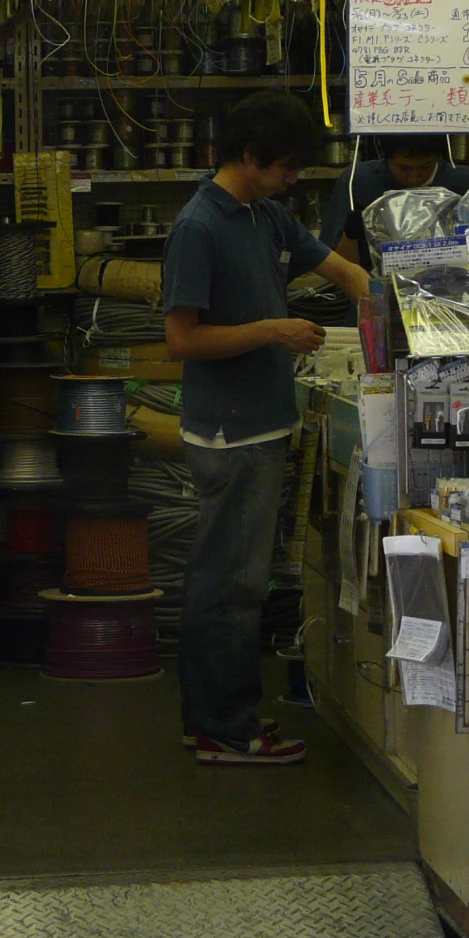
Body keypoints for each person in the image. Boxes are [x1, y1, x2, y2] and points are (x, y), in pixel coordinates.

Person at [163, 91, 371, 765]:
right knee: (230, 585)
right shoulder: (198, 228)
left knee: (233, 580)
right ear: (248, 158)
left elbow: (339, 270)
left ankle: (217, 719)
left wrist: (416, 303)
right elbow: (182, 341)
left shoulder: (266, 215)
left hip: (261, 426)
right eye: (283, 167)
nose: (292, 179)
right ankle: (226, 728)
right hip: (230, 435)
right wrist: (272, 331)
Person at [318, 133, 469, 263]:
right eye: (404, 168)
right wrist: (351, 235)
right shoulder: (359, 181)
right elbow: (333, 263)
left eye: (425, 167)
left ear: (439, 158)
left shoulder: (465, 185)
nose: (414, 178)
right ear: (385, 157)